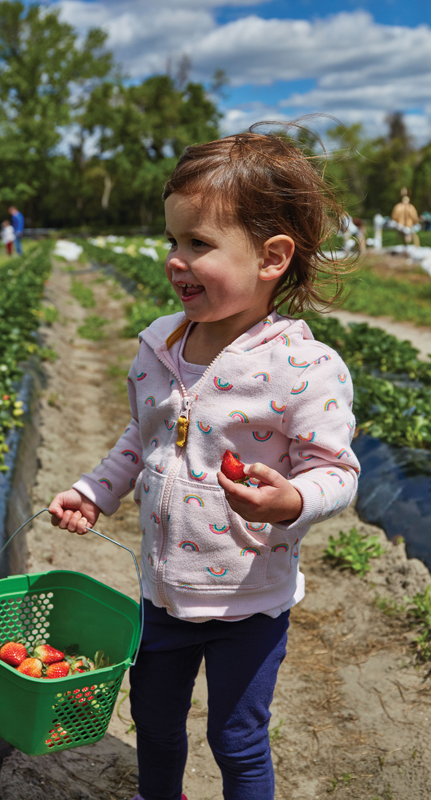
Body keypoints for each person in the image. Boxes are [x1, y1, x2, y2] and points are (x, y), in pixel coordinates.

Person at [48, 126, 360, 800]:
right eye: (172, 241)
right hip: (163, 591)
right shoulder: (161, 345)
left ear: (271, 257)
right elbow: (141, 439)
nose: (175, 261)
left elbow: (337, 470)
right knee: (154, 723)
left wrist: (293, 500)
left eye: (199, 244)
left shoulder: (300, 368)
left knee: (236, 737)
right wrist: (94, 491)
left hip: (249, 599)